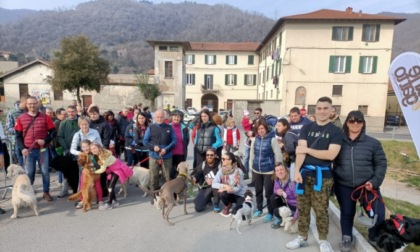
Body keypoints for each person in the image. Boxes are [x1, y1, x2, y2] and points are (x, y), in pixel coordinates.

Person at [286, 97, 343, 252]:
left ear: (332, 110)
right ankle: (302, 237)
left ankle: (323, 240)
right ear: (315, 110)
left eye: (325, 108)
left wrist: (308, 150)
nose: (322, 111)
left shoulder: (336, 131)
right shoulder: (306, 127)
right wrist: (297, 171)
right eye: (319, 108)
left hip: (322, 177)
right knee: (303, 208)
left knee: (321, 211)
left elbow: (331, 155)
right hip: (304, 175)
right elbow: (300, 152)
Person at [333, 111, 387, 252]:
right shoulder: (338, 142)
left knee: (378, 214)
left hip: (367, 186)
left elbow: (381, 164)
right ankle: (346, 238)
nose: (355, 123)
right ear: (347, 123)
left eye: (359, 121)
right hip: (344, 185)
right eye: (351, 121)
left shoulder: (373, 143)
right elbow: (330, 161)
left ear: (363, 123)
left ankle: (374, 238)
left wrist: (374, 182)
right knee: (347, 213)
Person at [14, 96, 56, 201]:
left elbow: (53, 133)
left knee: (45, 171)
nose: (32, 105)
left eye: (34, 103)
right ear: (26, 105)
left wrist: (45, 140)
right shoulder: (21, 118)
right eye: (30, 104)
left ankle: (46, 192)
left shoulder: (46, 117)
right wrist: (22, 148)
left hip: (43, 149)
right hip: (28, 151)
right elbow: (18, 136)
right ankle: (29, 192)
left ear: (38, 104)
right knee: (29, 173)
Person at [249, 119, 282, 222]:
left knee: (268, 193)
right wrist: (251, 168)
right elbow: (252, 154)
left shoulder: (272, 140)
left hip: (268, 171)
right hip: (256, 170)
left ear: (266, 129)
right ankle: (259, 209)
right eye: (258, 129)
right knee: (258, 191)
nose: (260, 130)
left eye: (262, 128)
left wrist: (277, 169)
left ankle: (270, 212)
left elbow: (278, 155)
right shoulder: (254, 140)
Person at [91, 142, 133, 210]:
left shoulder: (104, 155)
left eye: (95, 148)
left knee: (111, 186)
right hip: (111, 169)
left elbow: (102, 169)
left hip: (117, 169)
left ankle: (109, 203)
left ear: (99, 148)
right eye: (92, 149)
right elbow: (99, 165)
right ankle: (114, 201)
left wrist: (93, 171)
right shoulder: (96, 155)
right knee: (108, 185)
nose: (93, 150)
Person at [143, 109, 177, 191]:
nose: (159, 119)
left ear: (164, 117)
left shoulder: (169, 127)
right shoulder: (150, 128)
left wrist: (166, 149)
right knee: (154, 177)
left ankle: (166, 194)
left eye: (161, 117)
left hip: (167, 156)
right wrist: (153, 147)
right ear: (155, 117)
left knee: (167, 177)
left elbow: (174, 141)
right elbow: (145, 141)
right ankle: (155, 194)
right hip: (154, 156)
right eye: (158, 117)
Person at [212, 152, 246, 217]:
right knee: (221, 193)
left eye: (224, 159)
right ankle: (228, 204)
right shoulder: (222, 170)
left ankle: (238, 205)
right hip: (229, 193)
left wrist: (228, 189)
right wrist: (224, 186)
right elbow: (214, 183)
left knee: (241, 216)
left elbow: (238, 188)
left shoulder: (238, 171)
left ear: (230, 161)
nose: (222, 160)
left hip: (239, 195)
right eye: (222, 159)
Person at [56, 105, 80, 197]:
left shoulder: (80, 121)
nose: (71, 113)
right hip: (67, 150)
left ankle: (78, 189)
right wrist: (66, 148)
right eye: (69, 112)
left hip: (78, 150)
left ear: (76, 112)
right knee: (67, 171)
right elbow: (60, 136)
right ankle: (65, 189)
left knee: (79, 170)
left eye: (72, 111)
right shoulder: (63, 123)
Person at [75, 139, 104, 209]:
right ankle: (83, 200)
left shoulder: (94, 154)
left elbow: (99, 164)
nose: (86, 148)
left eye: (87, 146)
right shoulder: (82, 155)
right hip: (85, 173)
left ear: (90, 146)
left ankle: (100, 200)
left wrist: (93, 165)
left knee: (97, 185)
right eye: (83, 147)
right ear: (81, 148)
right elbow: (81, 166)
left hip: (95, 173)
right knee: (83, 186)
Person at [193, 109, 223, 173]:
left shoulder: (215, 128)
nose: (203, 118)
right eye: (202, 116)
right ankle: (200, 183)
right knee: (199, 170)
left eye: (205, 116)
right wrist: (196, 144)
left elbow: (219, 141)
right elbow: (196, 138)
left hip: (209, 153)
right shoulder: (198, 127)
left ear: (208, 116)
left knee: (208, 170)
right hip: (199, 152)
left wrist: (212, 147)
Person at [193, 147, 221, 212]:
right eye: (207, 155)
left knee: (215, 187)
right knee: (198, 208)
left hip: (217, 188)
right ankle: (207, 199)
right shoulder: (203, 164)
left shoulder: (219, 164)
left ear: (215, 156)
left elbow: (224, 178)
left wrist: (214, 181)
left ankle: (216, 203)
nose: (209, 156)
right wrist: (195, 178)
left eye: (211, 155)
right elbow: (198, 174)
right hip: (206, 188)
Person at [270, 163, 298, 229]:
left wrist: (295, 217)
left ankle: (292, 216)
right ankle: (280, 219)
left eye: (282, 169)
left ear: (286, 170)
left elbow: (301, 202)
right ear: (275, 173)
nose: (280, 172)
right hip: (287, 202)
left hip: (296, 206)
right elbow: (275, 189)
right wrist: (277, 191)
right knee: (273, 198)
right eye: (277, 171)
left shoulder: (292, 182)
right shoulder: (277, 180)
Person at [6, 94, 30, 166]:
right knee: (21, 163)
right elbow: (8, 128)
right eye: (28, 103)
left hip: (29, 140)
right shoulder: (12, 113)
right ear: (24, 102)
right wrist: (20, 131)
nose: (30, 105)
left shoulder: (29, 112)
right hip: (18, 141)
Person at [245, 107, 264, 187]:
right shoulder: (254, 120)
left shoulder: (262, 120)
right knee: (251, 161)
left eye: (257, 113)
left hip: (257, 142)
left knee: (255, 161)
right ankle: (254, 180)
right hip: (251, 141)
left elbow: (260, 131)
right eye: (255, 113)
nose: (256, 114)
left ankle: (256, 181)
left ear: (261, 112)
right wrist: (248, 134)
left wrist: (252, 133)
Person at [169, 110, 189, 179]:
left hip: (181, 153)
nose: (176, 118)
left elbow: (187, 140)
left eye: (178, 117)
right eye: (175, 116)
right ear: (171, 117)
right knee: (171, 172)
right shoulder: (168, 126)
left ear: (181, 118)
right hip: (170, 153)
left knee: (180, 173)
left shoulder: (184, 128)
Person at [241, 110, 252, 178]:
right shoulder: (244, 120)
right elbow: (244, 126)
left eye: (248, 115)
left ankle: (247, 171)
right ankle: (245, 172)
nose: (247, 116)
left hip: (250, 133)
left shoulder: (249, 119)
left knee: (248, 156)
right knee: (246, 156)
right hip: (247, 133)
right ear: (244, 115)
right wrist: (249, 123)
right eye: (246, 115)